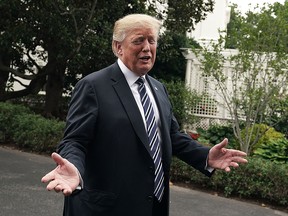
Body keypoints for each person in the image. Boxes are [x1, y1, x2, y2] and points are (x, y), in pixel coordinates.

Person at [41, 14, 247, 216]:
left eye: (152, 41)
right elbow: (75, 141)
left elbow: (172, 136)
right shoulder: (93, 86)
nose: (147, 48)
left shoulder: (158, 89)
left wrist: (205, 156)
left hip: (153, 205)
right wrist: (74, 168)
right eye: (138, 41)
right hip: (105, 208)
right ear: (118, 47)